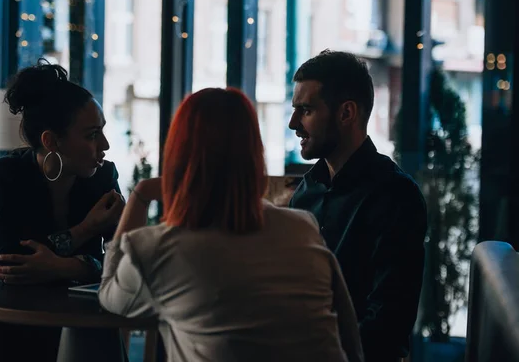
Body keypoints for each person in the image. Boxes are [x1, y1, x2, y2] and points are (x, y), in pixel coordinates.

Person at [98, 88, 364, 362]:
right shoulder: (303, 228)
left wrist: (140, 196)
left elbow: (111, 298)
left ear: (177, 154)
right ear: (253, 153)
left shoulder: (156, 249)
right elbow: (349, 337)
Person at [0, 61, 126, 362]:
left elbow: (123, 264)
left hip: (85, 329)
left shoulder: (103, 176)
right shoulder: (4, 176)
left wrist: (60, 266)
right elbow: (9, 265)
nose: (105, 145)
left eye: (102, 132)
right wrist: (84, 232)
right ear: (51, 141)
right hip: (6, 330)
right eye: (91, 135)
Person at [288, 50, 428, 362]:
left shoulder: (396, 196)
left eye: (306, 110)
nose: (293, 123)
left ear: (346, 113)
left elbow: (387, 324)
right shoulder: (306, 191)